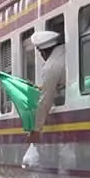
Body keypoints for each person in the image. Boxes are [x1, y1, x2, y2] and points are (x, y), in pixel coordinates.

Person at [23, 31, 67, 167]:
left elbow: (44, 102)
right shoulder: (65, 52)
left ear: (42, 51)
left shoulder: (50, 67)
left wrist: (35, 130)